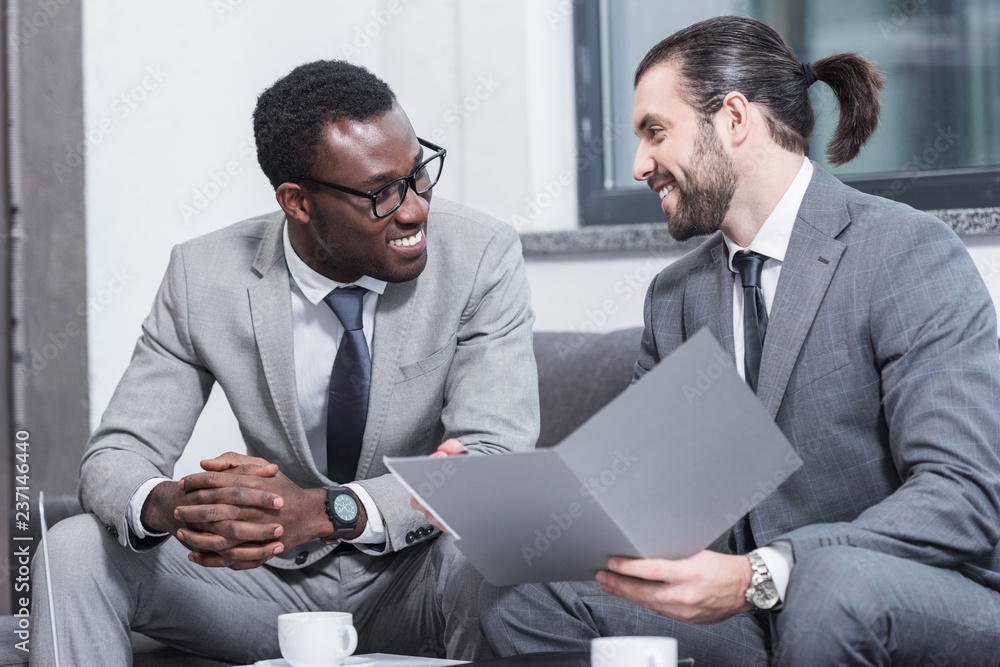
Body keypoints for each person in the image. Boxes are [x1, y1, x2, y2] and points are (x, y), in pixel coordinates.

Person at [481, 15, 1000, 666]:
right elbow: (654, 499)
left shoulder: (908, 253)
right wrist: (509, 508)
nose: (641, 164)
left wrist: (764, 571)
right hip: (751, 616)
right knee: (524, 598)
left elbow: (963, 496)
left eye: (655, 132)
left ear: (732, 119)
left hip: (909, 593)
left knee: (831, 585)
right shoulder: (676, 296)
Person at [32, 60, 538, 665]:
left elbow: (494, 458)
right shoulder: (204, 277)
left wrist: (330, 511)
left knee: (494, 542)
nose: (414, 210)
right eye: (380, 193)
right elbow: (116, 455)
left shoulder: (481, 255)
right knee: (73, 547)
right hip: (268, 587)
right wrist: (182, 508)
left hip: (420, 580)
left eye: (418, 174)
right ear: (296, 202)